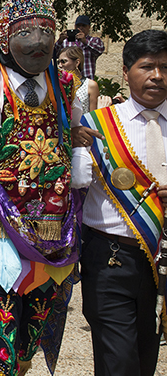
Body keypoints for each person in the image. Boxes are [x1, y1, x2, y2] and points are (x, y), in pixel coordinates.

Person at [0, 0, 85, 376]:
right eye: (26, 30)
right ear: (4, 36)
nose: (39, 41)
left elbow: (75, 132)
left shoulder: (66, 85)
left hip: (54, 235)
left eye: (47, 30)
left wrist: (78, 154)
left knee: (30, 339)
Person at [76, 29, 167, 376]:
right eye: (147, 67)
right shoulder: (96, 126)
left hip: (163, 260)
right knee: (119, 364)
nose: (157, 76)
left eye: (164, 67)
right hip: (111, 259)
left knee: (146, 358)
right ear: (126, 71)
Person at [54, 14, 105, 80]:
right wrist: (59, 41)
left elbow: (100, 50)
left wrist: (85, 41)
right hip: (68, 81)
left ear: (89, 27)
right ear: (75, 26)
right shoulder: (66, 41)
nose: (80, 28)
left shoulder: (94, 40)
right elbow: (53, 55)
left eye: (84, 25)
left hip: (86, 80)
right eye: (78, 25)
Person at [58, 45, 99, 113]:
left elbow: (93, 116)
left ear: (77, 62)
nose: (59, 65)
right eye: (58, 62)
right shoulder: (57, 83)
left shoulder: (90, 85)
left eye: (63, 61)